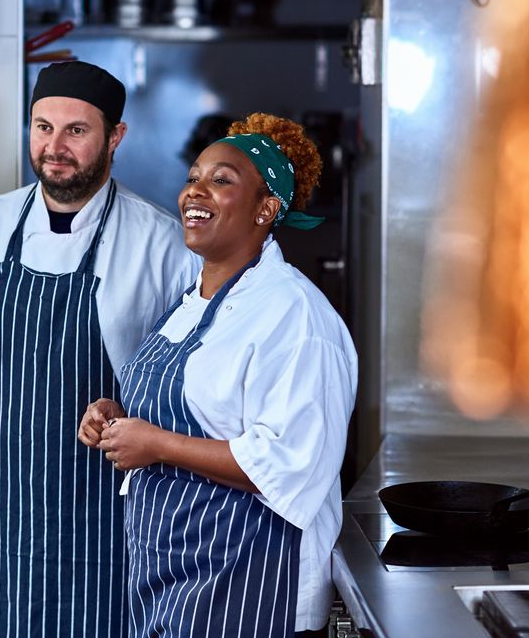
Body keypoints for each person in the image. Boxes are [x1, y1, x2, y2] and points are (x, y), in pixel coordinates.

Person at [0, 60, 198, 637]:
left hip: (106, 506)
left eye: (76, 131)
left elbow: (184, 390)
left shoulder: (162, 244)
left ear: (116, 137)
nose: (54, 147)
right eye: (42, 127)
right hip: (3, 504)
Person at [79, 113, 357, 638]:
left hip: (250, 592)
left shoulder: (294, 315)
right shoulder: (191, 301)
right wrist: (117, 418)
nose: (194, 192)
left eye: (221, 180)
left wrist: (156, 443)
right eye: (192, 177)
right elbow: (199, 410)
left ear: (267, 209)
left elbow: (284, 465)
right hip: (173, 581)